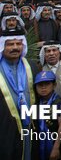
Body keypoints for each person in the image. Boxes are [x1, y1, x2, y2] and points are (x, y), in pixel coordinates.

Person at [0, 27, 40, 160]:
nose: (15, 47)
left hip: (29, 125)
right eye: (10, 44)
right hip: (5, 127)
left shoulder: (32, 66)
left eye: (18, 44)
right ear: (2, 46)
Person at [32, 71, 61, 160]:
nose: (43, 87)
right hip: (39, 143)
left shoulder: (58, 102)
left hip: (53, 142)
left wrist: (56, 148)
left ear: (54, 85)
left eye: (47, 84)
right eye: (40, 85)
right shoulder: (37, 103)